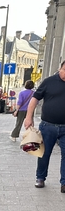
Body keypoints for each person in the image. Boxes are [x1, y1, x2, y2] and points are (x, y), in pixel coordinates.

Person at [23, 60, 65, 192]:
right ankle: (40, 178)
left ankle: (64, 183)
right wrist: (28, 117)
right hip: (48, 126)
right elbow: (35, 99)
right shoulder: (49, 82)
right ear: (60, 69)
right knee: (44, 153)